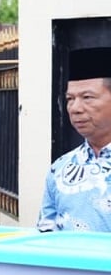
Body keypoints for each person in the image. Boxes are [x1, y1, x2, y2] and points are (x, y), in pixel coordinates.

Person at [40, 47, 111, 232]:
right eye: (70, 99)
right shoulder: (60, 168)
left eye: (87, 97)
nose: (75, 108)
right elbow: (46, 234)